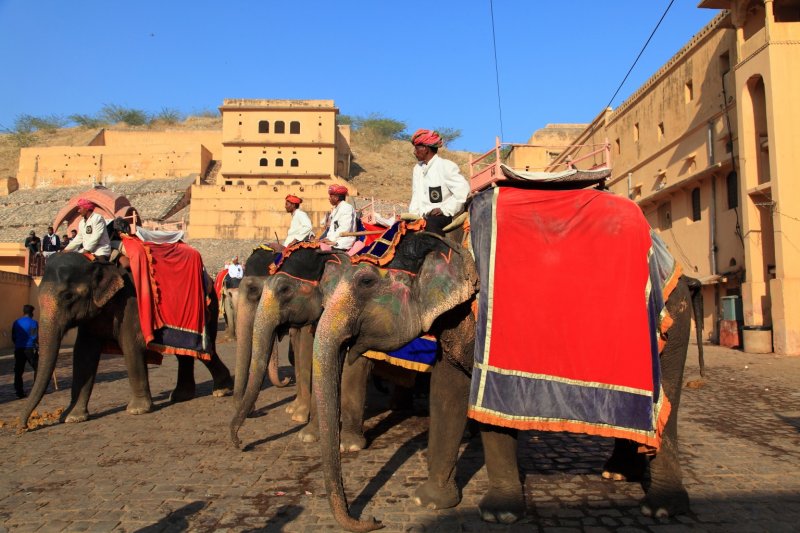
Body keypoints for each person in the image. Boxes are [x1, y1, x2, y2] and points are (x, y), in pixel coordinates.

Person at [407, 129, 470, 235]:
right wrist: (411, 216)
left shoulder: (446, 166)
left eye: (417, 148)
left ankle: (437, 251)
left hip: (444, 216)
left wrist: (444, 209)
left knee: (430, 223)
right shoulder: (417, 169)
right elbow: (416, 196)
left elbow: (463, 191)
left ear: (426, 149)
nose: (414, 152)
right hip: (422, 216)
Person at [11, 305, 38, 399]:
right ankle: (36, 390)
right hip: (30, 349)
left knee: (18, 371)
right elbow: (34, 336)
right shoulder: (33, 323)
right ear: (32, 313)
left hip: (19, 349)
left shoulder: (16, 322)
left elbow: (13, 337)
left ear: (23, 312)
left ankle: (19, 392)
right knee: (37, 368)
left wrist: (18, 344)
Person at [319, 184, 356, 251]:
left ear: (336, 198)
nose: (329, 198)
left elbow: (344, 229)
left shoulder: (346, 208)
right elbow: (334, 228)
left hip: (343, 242)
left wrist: (330, 239)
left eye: (331, 196)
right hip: (333, 240)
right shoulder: (336, 209)